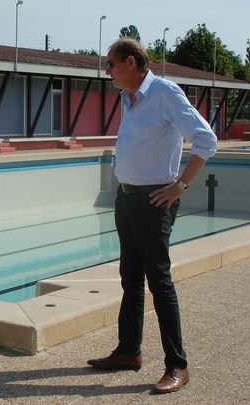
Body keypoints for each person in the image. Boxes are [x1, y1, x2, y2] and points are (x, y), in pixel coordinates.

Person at [87, 38, 217, 394]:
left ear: (130, 62)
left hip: (154, 202)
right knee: (130, 277)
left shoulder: (164, 93)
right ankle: (129, 351)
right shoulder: (127, 97)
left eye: (110, 64)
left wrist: (182, 186)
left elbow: (206, 140)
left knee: (160, 282)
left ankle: (178, 365)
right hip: (126, 198)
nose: (106, 70)